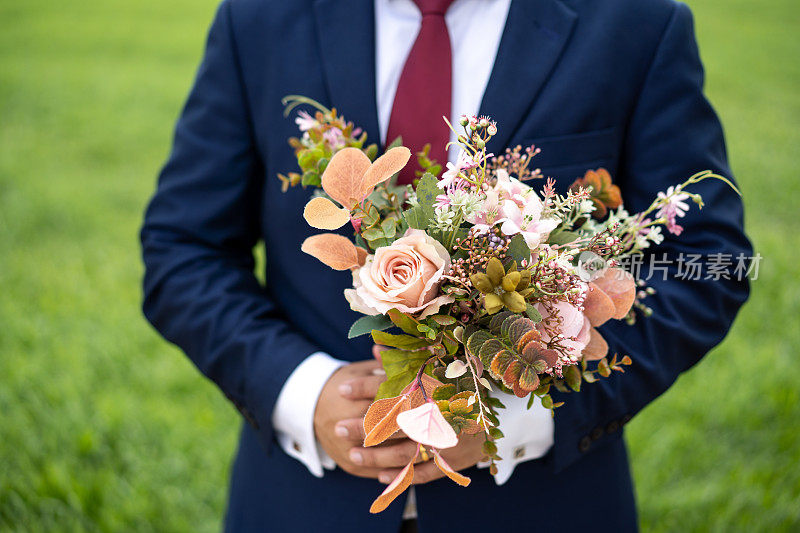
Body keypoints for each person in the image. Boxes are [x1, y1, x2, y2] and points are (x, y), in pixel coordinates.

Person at [140, 0, 751, 531]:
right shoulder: (259, 21)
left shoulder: (637, 25)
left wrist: (511, 419)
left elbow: (712, 264)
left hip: (541, 507)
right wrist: (303, 391)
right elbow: (184, 246)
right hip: (300, 502)